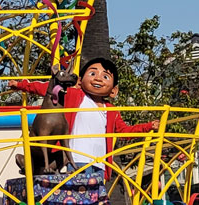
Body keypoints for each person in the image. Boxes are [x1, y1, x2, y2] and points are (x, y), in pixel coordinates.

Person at [13, 57, 156, 175]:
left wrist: (148, 126)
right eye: (93, 74)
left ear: (114, 90)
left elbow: (124, 131)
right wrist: (21, 85)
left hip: (100, 163)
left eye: (105, 76)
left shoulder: (111, 110)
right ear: (80, 81)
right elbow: (47, 87)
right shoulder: (74, 95)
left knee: (94, 204)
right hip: (76, 160)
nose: (98, 79)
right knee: (76, 199)